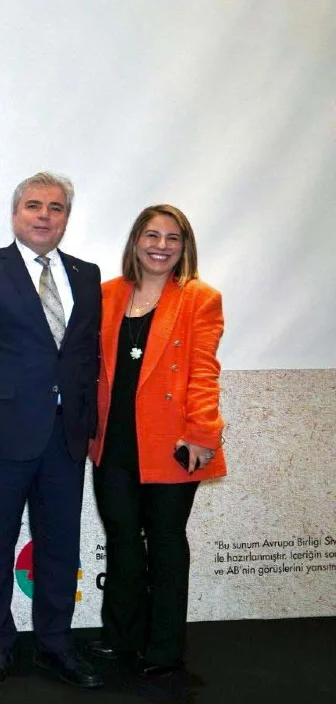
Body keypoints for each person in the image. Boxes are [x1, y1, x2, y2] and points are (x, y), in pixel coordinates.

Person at [0, 172, 102, 690]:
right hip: (1, 436)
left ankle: (56, 644)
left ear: (66, 217)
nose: (44, 216)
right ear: (16, 214)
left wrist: (91, 426)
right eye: (34, 206)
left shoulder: (87, 275)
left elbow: (86, 357)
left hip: (66, 438)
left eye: (55, 208)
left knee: (60, 546)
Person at [86, 204, 225, 679]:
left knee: (165, 543)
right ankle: (121, 637)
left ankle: (164, 649)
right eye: (152, 235)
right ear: (136, 241)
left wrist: (202, 433)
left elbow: (204, 371)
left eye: (172, 238)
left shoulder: (200, 298)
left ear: (184, 247)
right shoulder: (107, 293)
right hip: (113, 443)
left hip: (172, 444)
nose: (160, 246)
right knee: (122, 541)